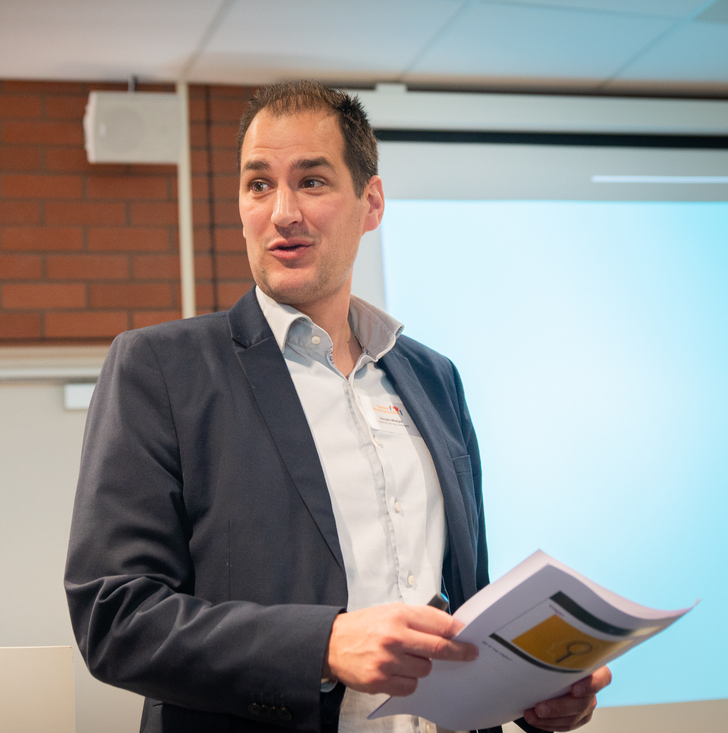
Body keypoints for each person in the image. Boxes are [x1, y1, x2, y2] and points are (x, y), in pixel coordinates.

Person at [65, 81, 609, 733]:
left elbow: (467, 599)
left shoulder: (435, 379)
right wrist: (321, 645)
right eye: (258, 185)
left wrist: (529, 692)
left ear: (370, 202)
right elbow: (115, 617)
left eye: (312, 182)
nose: (282, 213)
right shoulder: (162, 368)